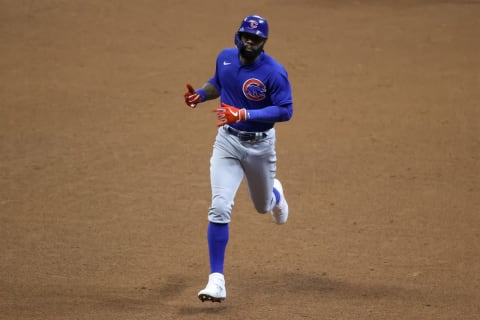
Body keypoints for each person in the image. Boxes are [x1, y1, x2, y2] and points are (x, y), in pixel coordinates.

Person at [183, 14, 294, 303]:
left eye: (256, 38)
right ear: (239, 35)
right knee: (219, 207)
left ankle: (275, 194)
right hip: (227, 143)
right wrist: (199, 95)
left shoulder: (274, 72)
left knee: (261, 206)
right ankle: (216, 280)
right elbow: (218, 84)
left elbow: (285, 110)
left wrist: (245, 114)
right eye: (246, 35)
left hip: (260, 147)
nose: (250, 41)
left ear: (263, 43)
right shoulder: (225, 58)